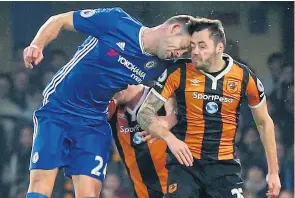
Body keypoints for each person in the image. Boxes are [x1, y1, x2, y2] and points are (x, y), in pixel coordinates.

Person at [23, 7, 194, 198]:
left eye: (185, 52)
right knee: (40, 185)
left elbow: (172, 90)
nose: (179, 53)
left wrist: (170, 118)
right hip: (59, 108)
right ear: (173, 28)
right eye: (183, 47)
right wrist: (37, 45)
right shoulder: (115, 21)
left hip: (95, 120)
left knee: (89, 194)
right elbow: (59, 19)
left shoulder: (164, 64)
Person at [137, 17, 281, 198]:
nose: (195, 51)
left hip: (224, 168)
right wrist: (170, 139)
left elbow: (264, 122)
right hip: (185, 164)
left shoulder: (244, 77)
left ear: (219, 47)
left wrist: (273, 172)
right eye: (193, 45)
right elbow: (144, 114)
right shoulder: (178, 71)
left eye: (202, 46)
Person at [108, 84, 177, 198]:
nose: (111, 85)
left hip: (178, 189)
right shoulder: (112, 110)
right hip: (142, 193)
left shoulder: (165, 96)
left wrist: (171, 118)